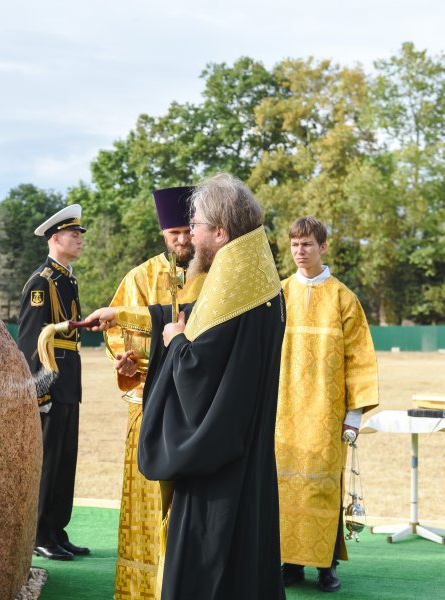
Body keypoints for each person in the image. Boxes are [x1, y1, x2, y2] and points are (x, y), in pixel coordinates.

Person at [86, 173, 286, 599]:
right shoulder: (253, 275)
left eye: (195, 225)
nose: (190, 234)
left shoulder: (236, 283)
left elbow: (198, 370)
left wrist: (175, 343)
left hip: (218, 467)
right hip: (245, 453)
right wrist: (125, 315)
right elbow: (197, 316)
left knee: (206, 567)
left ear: (220, 231)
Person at [105, 186, 200, 599]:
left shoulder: (214, 279)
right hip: (148, 407)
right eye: (174, 232)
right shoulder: (139, 278)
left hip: (198, 409)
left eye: (187, 231)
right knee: (146, 501)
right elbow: (119, 335)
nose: (181, 240)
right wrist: (125, 363)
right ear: (163, 233)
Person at [276, 216, 379, 593]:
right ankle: (289, 562)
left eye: (307, 245)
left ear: (323, 247)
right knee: (284, 489)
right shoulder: (279, 293)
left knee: (322, 487)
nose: (300, 252)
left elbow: (360, 359)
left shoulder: (343, 298)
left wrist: (353, 416)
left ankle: (326, 565)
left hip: (326, 413)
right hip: (283, 411)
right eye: (294, 245)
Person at [17, 203, 90, 561]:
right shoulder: (41, 282)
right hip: (50, 383)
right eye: (74, 235)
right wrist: (38, 390)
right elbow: (30, 341)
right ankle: (39, 533)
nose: (79, 241)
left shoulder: (67, 278)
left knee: (65, 459)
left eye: (79, 236)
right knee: (48, 461)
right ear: (55, 238)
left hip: (68, 380)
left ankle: (57, 529)